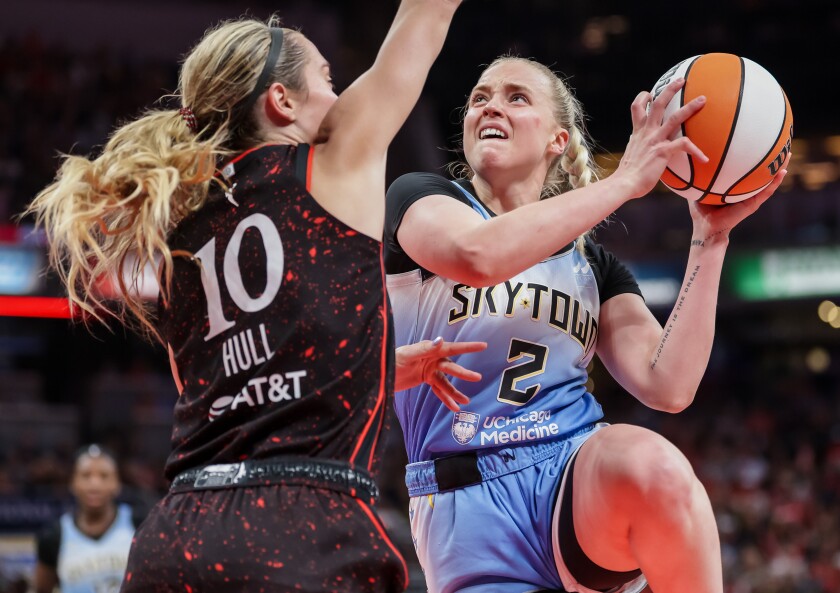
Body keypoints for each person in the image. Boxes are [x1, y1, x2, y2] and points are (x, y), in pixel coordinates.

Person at [23, 3, 483, 591]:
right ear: (281, 101)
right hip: (299, 531)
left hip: (174, 536)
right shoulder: (331, 162)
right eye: (327, 81)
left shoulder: (178, 226)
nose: (339, 98)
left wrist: (374, 368)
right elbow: (425, 14)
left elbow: (233, 380)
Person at [384, 55, 788, 593]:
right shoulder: (422, 198)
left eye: (516, 97)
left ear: (557, 140)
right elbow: (477, 255)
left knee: (655, 469)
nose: (490, 106)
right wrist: (625, 181)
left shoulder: (589, 264)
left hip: (571, 475)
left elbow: (668, 385)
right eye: (480, 97)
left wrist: (710, 241)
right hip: (463, 506)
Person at [35, 445, 141, 593]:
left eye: (104, 476)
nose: (94, 485)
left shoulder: (140, 524)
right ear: (72, 483)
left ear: (117, 483)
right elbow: (41, 589)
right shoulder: (53, 536)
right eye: (85, 475)